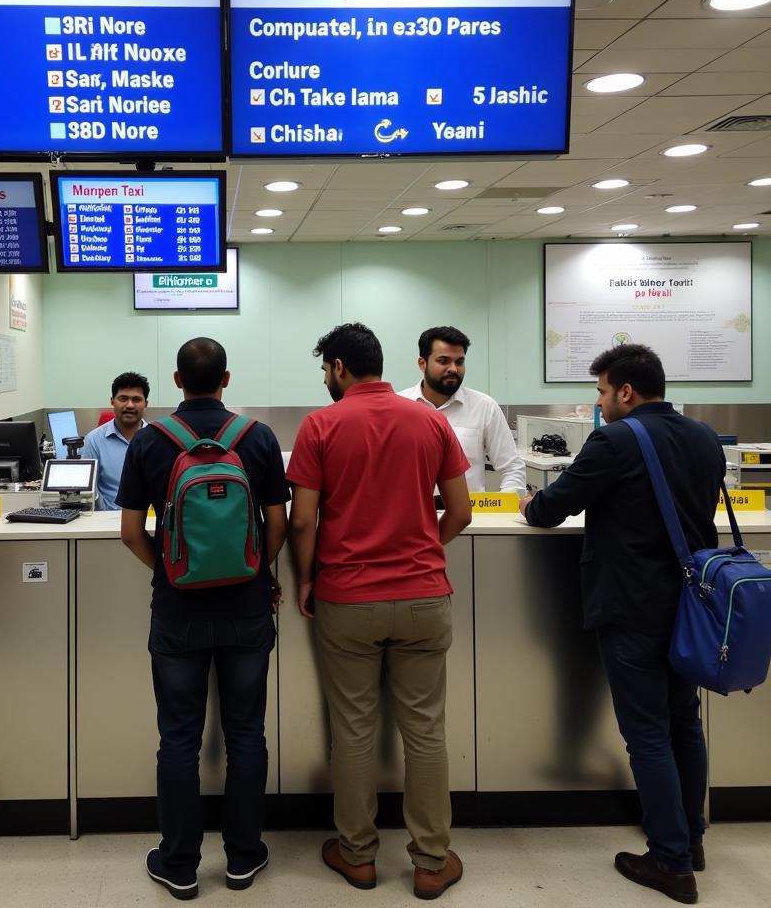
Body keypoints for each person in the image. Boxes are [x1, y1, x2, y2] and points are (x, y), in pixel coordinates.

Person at [520, 344, 724, 905]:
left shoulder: (616, 438)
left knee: (648, 735)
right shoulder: (704, 437)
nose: (600, 401)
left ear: (626, 392)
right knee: (684, 723)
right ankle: (692, 838)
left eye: (602, 392)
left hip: (632, 606)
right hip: (690, 606)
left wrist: (528, 504)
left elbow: (554, 505)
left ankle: (671, 862)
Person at [287, 323, 472, 900]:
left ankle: (358, 855)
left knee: (354, 730)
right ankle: (431, 860)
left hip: (348, 599)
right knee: (425, 731)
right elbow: (461, 512)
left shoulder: (321, 425)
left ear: (340, 367)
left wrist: (309, 577)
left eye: (325, 370)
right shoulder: (431, 422)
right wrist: (420, 553)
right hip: (423, 596)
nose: (324, 380)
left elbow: (301, 520)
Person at [117, 338, 289, 900]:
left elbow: (130, 532)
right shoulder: (257, 437)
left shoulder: (150, 440)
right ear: (226, 378)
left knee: (178, 739)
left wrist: (169, 570)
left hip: (176, 614)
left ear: (175, 380)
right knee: (246, 735)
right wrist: (257, 571)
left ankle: (180, 864)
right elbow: (276, 523)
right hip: (246, 609)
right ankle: (244, 857)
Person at [396, 325, 526, 495]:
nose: (453, 369)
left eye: (459, 362)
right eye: (443, 361)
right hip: (413, 517)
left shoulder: (484, 407)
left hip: (470, 518)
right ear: (422, 363)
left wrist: (503, 509)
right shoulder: (398, 406)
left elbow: (512, 468)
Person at [84, 371, 150, 510]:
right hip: (107, 523)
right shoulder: (93, 441)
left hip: (150, 520)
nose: (130, 405)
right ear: (112, 401)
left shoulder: (158, 439)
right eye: (123, 398)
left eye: (136, 399)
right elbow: (89, 491)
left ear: (146, 403)